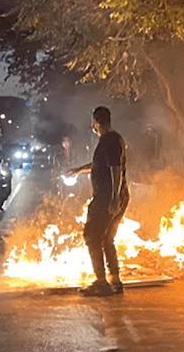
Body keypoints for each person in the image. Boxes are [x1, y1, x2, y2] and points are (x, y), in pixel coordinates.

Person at [67, 106, 129, 297]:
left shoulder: (108, 140)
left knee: (92, 236)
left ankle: (101, 282)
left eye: (93, 123)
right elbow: (100, 165)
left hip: (106, 198)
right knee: (107, 238)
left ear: (96, 123)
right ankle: (115, 281)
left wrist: (113, 198)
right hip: (117, 196)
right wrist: (79, 170)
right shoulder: (114, 139)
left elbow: (115, 168)